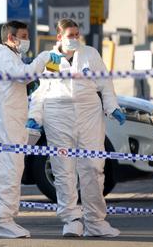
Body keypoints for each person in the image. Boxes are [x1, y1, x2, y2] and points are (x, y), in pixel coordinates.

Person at [28, 18, 126, 238]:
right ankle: (72, 220)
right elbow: (40, 91)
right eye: (70, 35)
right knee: (63, 169)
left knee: (93, 167)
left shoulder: (90, 54)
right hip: (57, 116)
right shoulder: (49, 59)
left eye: (76, 35)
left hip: (89, 114)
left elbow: (106, 84)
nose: (74, 39)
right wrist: (34, 116)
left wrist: (112, 107)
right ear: (59, 36)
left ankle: (95, 222)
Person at [0, 20, 62, 238]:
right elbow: (24, 75)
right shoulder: (4, 57)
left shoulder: (12, 57)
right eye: (24, 35)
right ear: (11, 37)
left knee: (12, 172)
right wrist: (44, 57)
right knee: (6, 173)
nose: (27, 40)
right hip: (2, 126)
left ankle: (6, 219)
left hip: (10, 125)